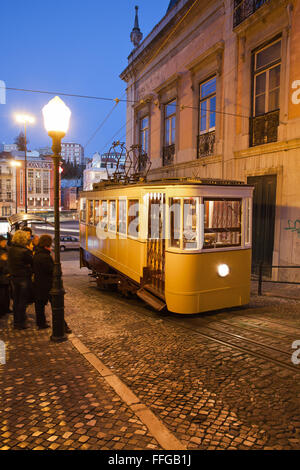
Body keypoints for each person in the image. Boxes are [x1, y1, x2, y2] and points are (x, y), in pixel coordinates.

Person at [33, 234, 72, 333]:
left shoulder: (37, 254)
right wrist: (54, 261)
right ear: (48, 244)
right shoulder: (45, 256)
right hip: (48, 285)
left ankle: (41, 323)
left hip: (39, 284)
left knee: (40, 305)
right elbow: (53, 271)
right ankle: (63, 326)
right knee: (57, 306)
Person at [7, 230, 33, 329]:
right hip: (23, 278)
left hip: (14, 278)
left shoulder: (11, 249)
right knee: (22, 301)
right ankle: (21, 322)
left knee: (16, 300)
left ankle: (16, 321)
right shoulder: (24, 251)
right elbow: (31, 261)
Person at [0, 250, 10, 316]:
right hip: (2, 281)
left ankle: (5, 309)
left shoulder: (4, 261)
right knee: (2, 296)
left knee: (6, 296)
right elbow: (5, 270)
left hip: (5, 281)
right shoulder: (2, 262)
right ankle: (2, 311)